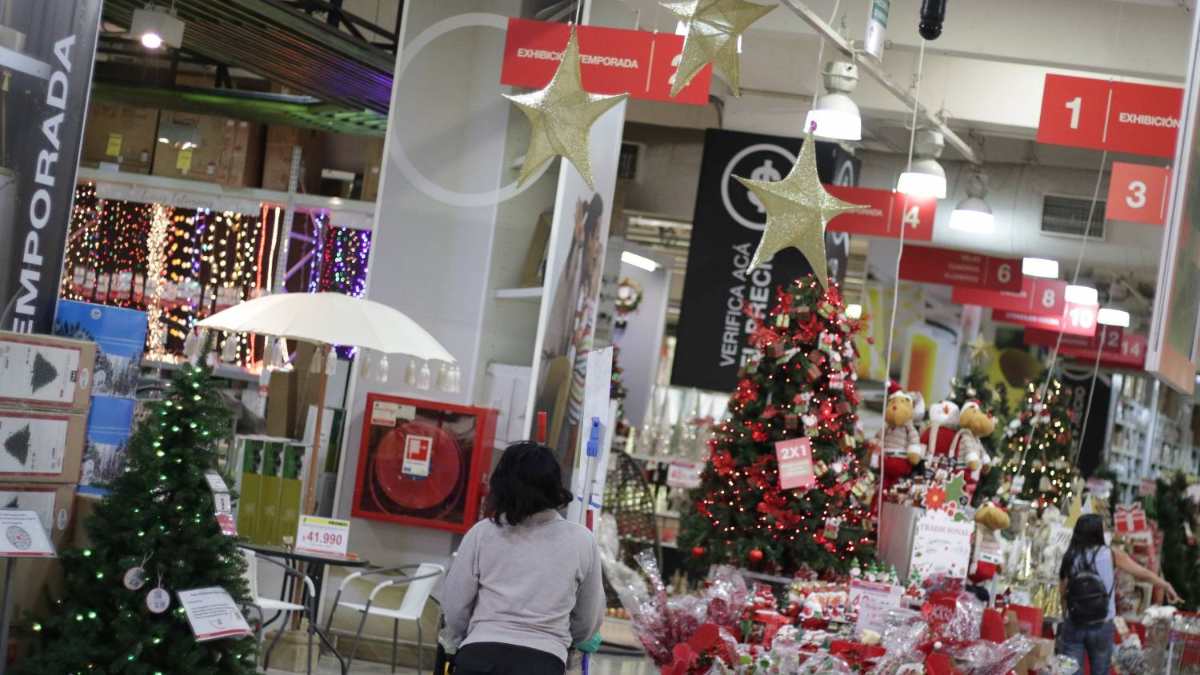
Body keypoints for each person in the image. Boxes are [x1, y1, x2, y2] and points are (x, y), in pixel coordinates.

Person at [438, 442, 605, 675]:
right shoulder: (581, 541)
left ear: (501, 485)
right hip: (544, 661)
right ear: (555, 485)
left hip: (480, 656)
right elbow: (588, 618)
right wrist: (565, 641)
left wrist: (459, 638)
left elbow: (456, 606)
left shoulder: (482, 533)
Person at [1057, 513, 1181, 675]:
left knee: (1070, 670)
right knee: (1101, 670)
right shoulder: (1111, 554)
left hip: (1075, 623)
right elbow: (1142, 573)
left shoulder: (1070, 556)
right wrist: (1165, 585)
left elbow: (1063, 592)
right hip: (1102, 623)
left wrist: (1066, 615)